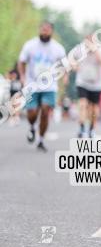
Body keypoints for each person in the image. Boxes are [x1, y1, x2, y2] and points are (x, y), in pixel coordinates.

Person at [18, 21, 67, 152]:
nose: (44, 32)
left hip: (50, 86)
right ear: (39, 30)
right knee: (32, 113)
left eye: (47, 30)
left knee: (45, 111)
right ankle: (32, 127)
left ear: (51, 32)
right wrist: (22, 77)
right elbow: (22, 61)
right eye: (42, 30)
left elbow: (64, 65)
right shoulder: (30, 45)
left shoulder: (58, 48)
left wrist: (65, 77)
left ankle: (41, 140)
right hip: (31, 84)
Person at [71, 31, 101, 138]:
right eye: (87, 40)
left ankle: (91, 129)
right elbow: (71, 60)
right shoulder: (79, 49)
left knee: (94, 109)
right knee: (82, 104)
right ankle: (82, 128)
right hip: (82, 81)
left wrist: (95, 51)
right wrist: (74, 66)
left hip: (97, 83)